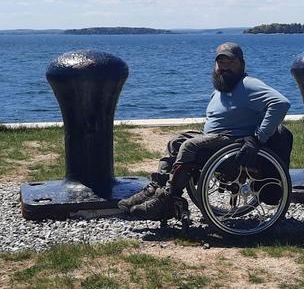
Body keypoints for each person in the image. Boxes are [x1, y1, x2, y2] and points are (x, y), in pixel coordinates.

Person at [118, 42, 291, 220]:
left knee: (189, 146)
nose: (224, 67)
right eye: (220, 63)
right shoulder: (221, 88)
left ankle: (167, 200)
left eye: (230, 62)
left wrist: (257, 138)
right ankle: (154, 188)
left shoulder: (249, 84)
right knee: (175, 142)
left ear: (241, 64)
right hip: (215, 138)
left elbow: (280, 103)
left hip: (234, 141)